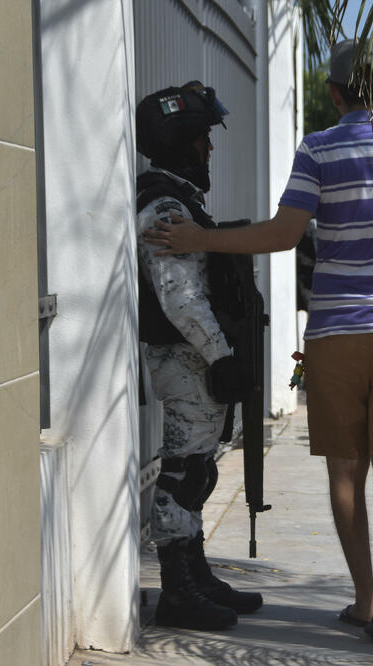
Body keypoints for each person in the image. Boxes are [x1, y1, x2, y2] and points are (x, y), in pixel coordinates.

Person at [142, 39, 373, 639]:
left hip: (337, 338)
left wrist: (202, 239)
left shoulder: (318, 149)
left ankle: (360, 597)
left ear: (333, 94)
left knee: (346, 470)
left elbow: (283, 234)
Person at [134, 81, 263, 631]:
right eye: (203, 138)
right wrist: (220, 357)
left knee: (200, 472)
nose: (210, 149)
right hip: (186, 360)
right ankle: (177, 591)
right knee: (183, 474)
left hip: (195, 361)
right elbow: (180, 297)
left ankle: (195, 571)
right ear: (179, 140)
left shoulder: (180, 199)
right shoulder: (164, 206)